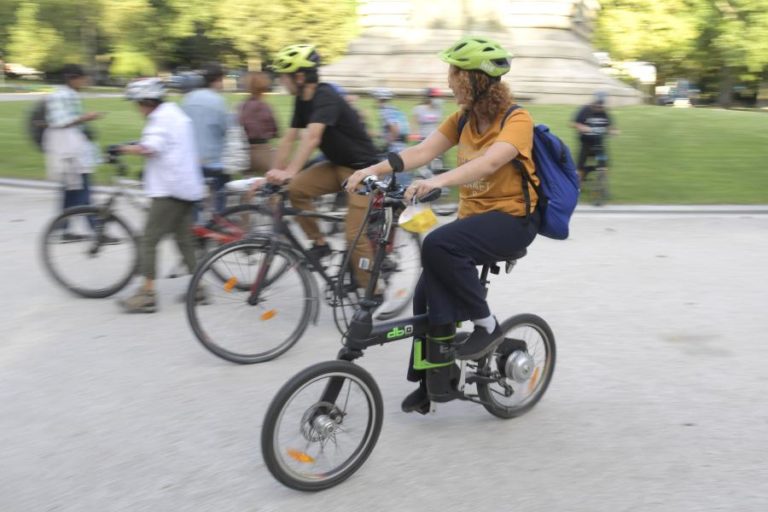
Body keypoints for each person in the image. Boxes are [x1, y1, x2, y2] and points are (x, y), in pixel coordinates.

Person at [345, 36, 540, 413]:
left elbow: (489, 163)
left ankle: (487, 326)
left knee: (437, 244)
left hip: (511, 220)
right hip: (474, 222)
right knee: (425, 299)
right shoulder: (462, 118)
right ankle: (433, 383)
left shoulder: (517, 119)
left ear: (475, 80)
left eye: (454, 73)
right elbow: (419, 152)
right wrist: (370, 169)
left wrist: (436, 182)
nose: (449, 80)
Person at [258, 43, 379, 292]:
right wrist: (273, 174)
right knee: (295, 190)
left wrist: (290, 171)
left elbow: (312, 138)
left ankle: (373, 292)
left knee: (353, 235)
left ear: (299, 77)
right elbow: (289, 138)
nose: (281, 81)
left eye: (284, 76)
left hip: (363, 171)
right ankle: (320, 243)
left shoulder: (325, 96)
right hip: (336, 166)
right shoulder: (302, 100)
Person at [117, 78, 206, 313]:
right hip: (186, 187)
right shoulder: (175, 114)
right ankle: (199, 288)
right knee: (183, 238)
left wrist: (122, 149)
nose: (137, 109)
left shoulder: (159, 119)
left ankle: (147, 294)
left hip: (170, 189)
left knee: (148, 240)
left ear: (147, 102)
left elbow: (151, 147)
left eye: (137, 103)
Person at [43, 64, 103, 239]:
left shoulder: (69, 94)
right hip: (71, 152)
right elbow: (60, 122)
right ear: (73, 78)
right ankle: (96, 230)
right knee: (83, 191)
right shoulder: (60, 96)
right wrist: (85, 118)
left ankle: (64, 229)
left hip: (73, 149)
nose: (85, 81)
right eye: (83, 78)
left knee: (70, 191)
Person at [181, 63, 229, 212]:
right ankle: (219, 221)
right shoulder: (218, 101)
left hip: (192, 159)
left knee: (195, 200)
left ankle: (197, 226)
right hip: (214, 159)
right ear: (217, 80)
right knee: (221, 194)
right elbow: (226, 129)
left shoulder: (188, 99)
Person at [571, 91, 617, 183]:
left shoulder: (605, 112)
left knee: (603, 166)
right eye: (598, 103)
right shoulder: (585, 110)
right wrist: (582, 127)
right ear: (594, 101)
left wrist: (613, 131)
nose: (599, 106)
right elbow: (573, 123)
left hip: (599, 145)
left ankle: (601, 188)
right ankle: (578, 185)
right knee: (580, 167)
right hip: (586, 144)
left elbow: (610, 126)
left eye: (602, 104)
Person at [239, 71, 279, 175]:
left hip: (244, 155)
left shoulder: (241, 106)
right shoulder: (266, 107)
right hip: (263, 152)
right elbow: (275, 131)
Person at [373, 87, 409, 154]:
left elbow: (394, 128)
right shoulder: (394, 108)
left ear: (378, 98)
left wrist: (387, 144)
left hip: (394, 148)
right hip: (401, 145)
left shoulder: (386, 110)